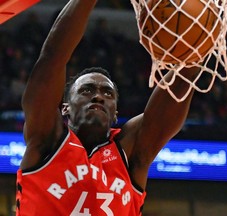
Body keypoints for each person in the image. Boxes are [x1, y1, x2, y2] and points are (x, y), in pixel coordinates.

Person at [16, 0, 199, 215]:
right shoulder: (46, 139)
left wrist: (195, 53)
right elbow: (53, 58)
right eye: (86, 90)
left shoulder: (130, 153)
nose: (98, 96)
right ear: (64, 108)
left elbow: (167, 106)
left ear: (115, 115)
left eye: (107, 93)